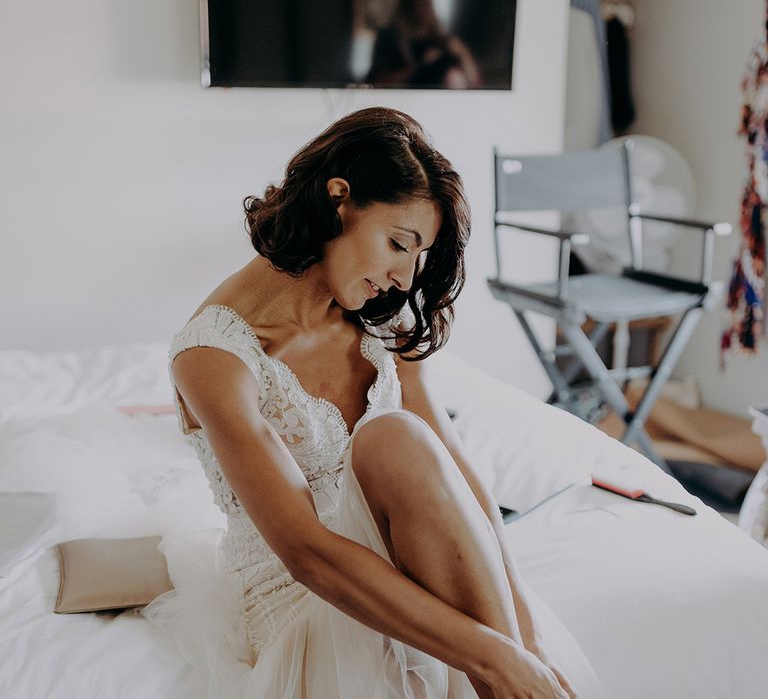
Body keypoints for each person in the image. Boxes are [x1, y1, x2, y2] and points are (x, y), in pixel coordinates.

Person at [142, 107, 604, 698]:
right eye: (398, 243)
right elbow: (306, 553)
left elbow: (459, 477)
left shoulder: (378, 320)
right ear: (339, 198)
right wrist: (493, 655)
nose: (406, 279)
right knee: (395, 438)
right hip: (311, 604)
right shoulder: (214, 357)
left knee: (406, 440)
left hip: (417, 573)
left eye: (418, 257)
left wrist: (525, 639)